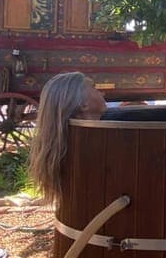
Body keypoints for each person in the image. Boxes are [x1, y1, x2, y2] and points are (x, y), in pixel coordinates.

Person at [27, 72, 107, 204]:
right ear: (83, 105)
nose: (102, 93)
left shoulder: (67, 144)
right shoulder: (92, 148)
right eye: (95, 88)